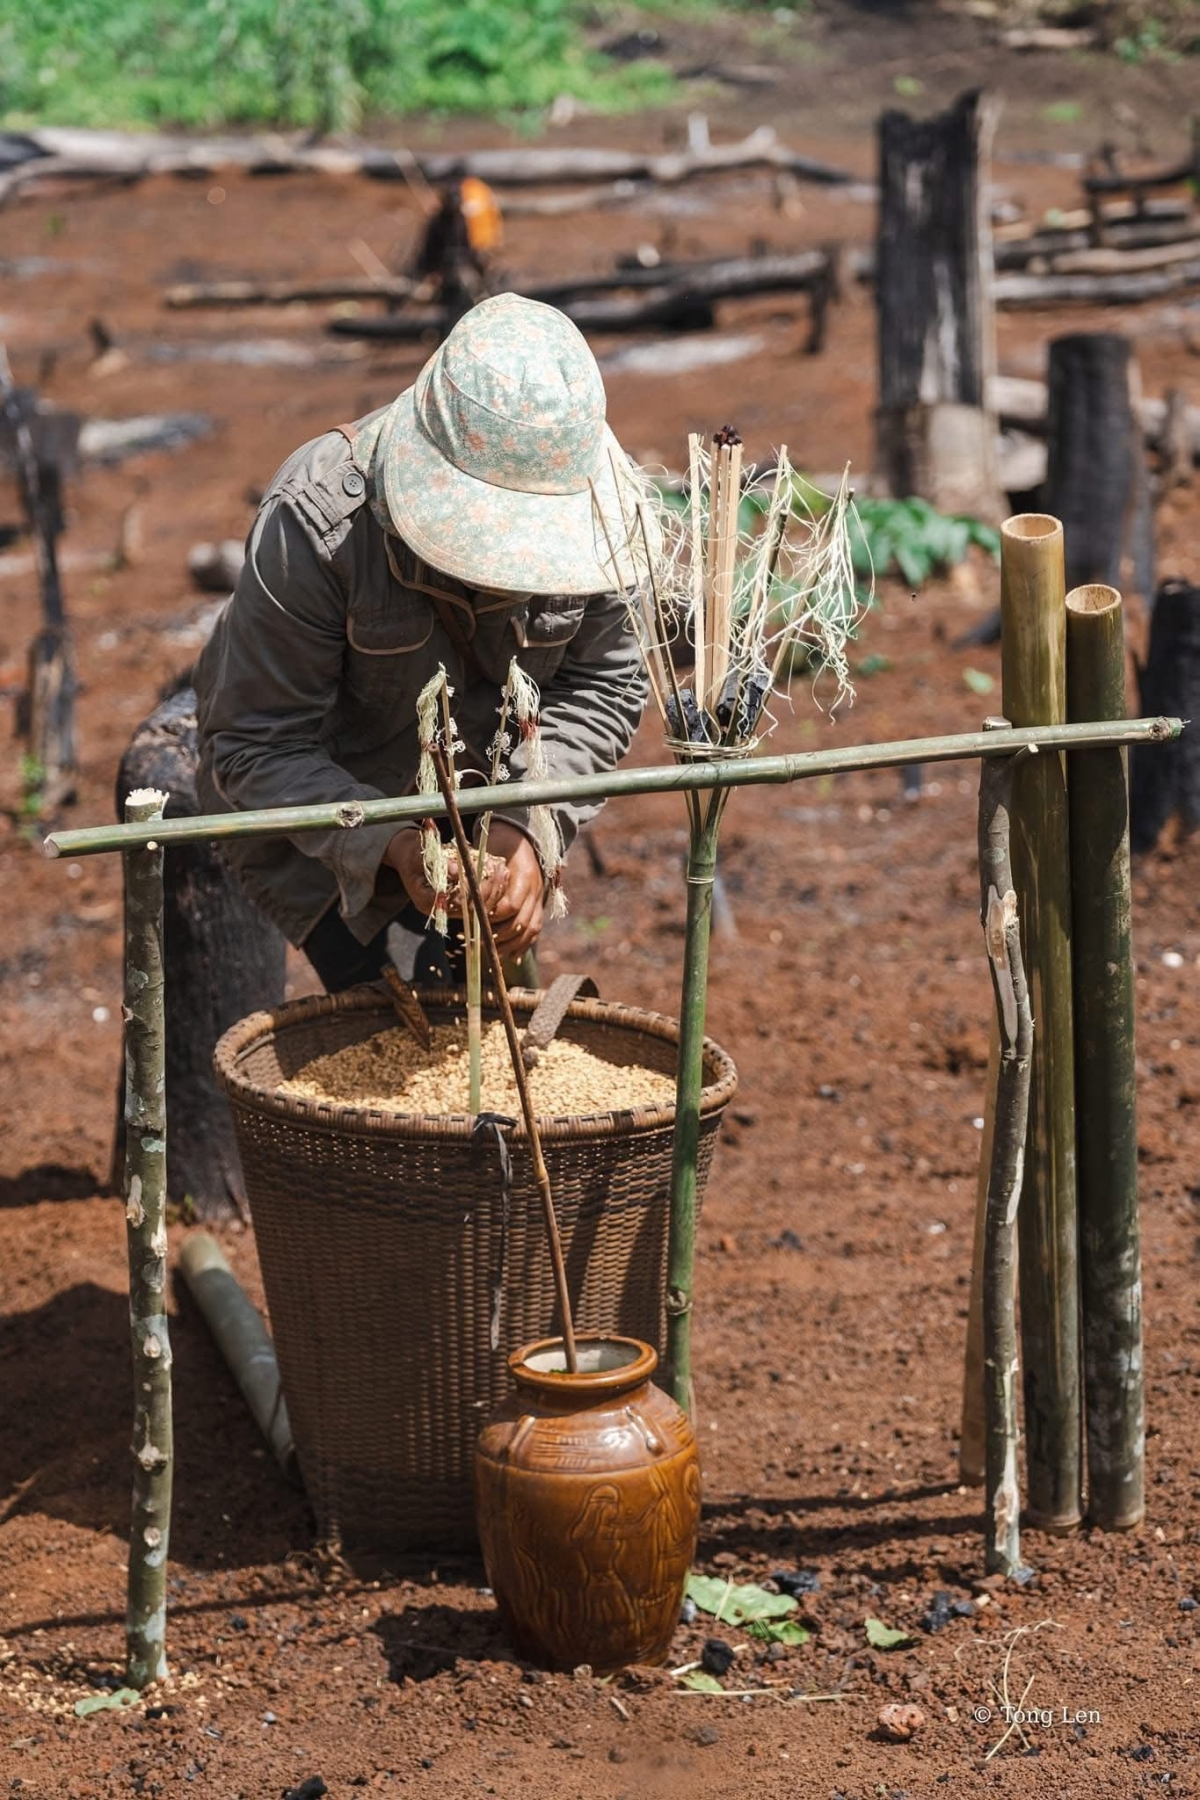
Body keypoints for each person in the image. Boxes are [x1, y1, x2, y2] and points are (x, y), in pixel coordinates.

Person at [194, 294, 651, 991]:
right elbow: (259, 741)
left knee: (480, 1021)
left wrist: (529, 822)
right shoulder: (318, 525)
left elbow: (602, 686)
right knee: (381, 1021)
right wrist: (395, 844)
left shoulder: (603, 517)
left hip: (489, 803)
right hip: (323, 806)